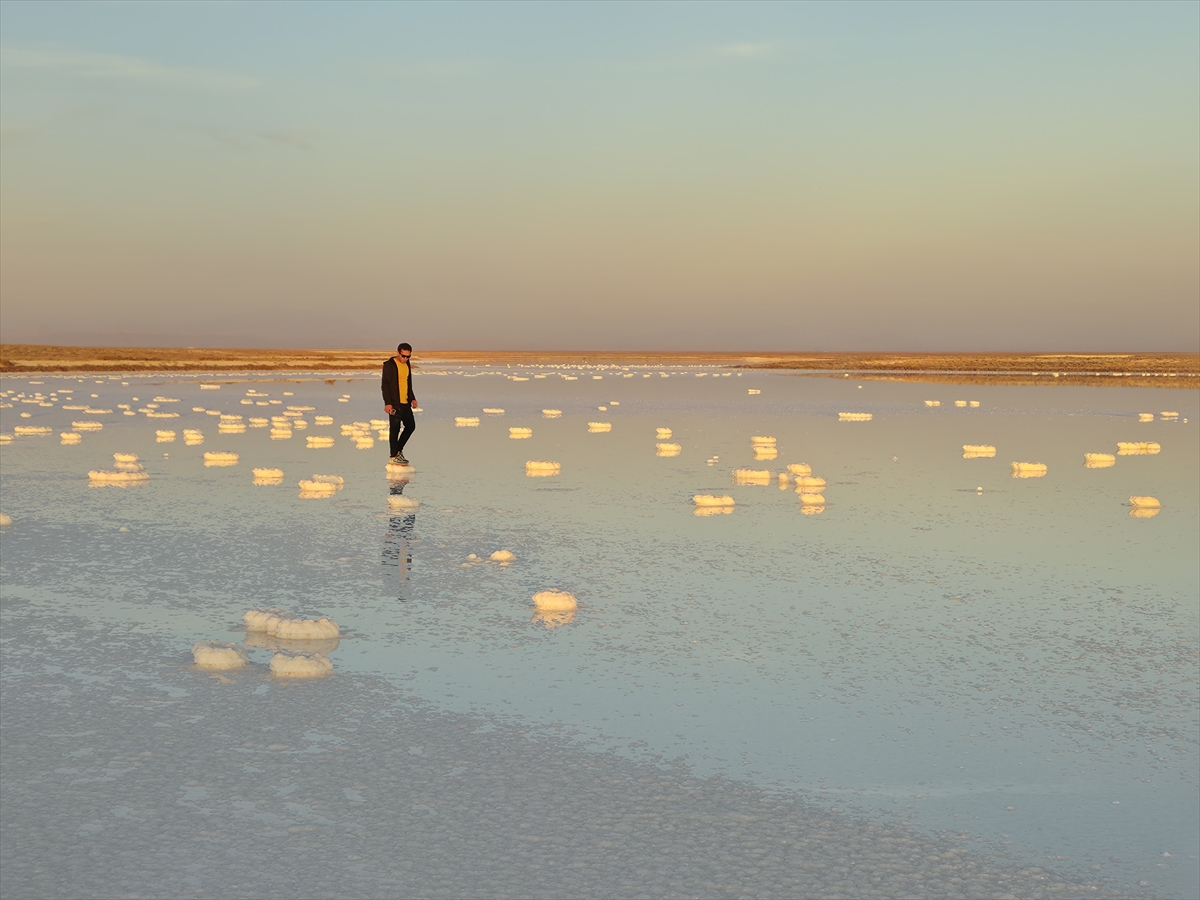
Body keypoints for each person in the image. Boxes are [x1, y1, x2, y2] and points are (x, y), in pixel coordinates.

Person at [381, 342, 418, 464]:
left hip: (405, 402)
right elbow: (385, 385)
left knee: (411, 426)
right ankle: (393, 456)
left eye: (408, 356)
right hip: (394, 403)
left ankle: (398, 450)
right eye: (403, 356)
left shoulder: (406, 364)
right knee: (395, 429)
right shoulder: (389, 365)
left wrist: (412, 398)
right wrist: (387, 403)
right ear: (398, 353)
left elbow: (408, 383)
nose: (405, 358)